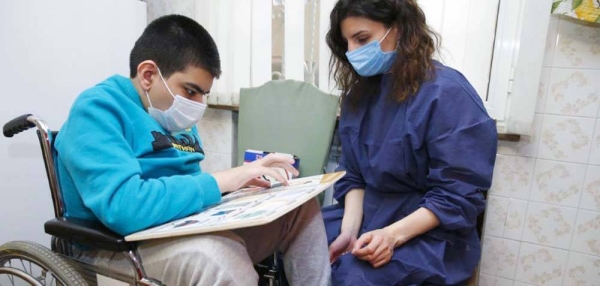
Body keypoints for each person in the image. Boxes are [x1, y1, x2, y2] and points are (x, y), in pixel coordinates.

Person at [54, 15, 329, 286]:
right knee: (220, 257)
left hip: (177, 229)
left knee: (297, 209)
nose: (198, 105)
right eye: (190, 91)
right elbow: (125, 208)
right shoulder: (96, 111)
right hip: (114, 248)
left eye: (204, 94)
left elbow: (190, 186)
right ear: (148, 74)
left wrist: (240, 190)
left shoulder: (170, 115)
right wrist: (223, 180)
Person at [321, 0, 498, 285]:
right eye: (347, 43)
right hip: (370, 214)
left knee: (356, 277)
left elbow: (455, 197)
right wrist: (349, 232)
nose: (353, 52)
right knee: (301, 240)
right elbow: (353, 175)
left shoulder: (448, 93)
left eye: (362, 39)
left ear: (400, 29)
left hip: (430, 233)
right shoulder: (359, 96)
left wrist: (391, 236)